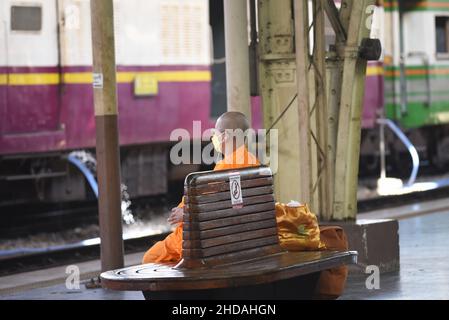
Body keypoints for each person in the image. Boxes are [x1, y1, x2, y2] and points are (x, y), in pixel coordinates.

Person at [142, 111, 259, 264]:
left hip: (203, 237)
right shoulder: (252, 161)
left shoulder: (227, 166)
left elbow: (219, 205)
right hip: (240, 233)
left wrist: (187, 212)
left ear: (224, 137)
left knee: (150, 258)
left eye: (216, 134)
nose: (214, 138)